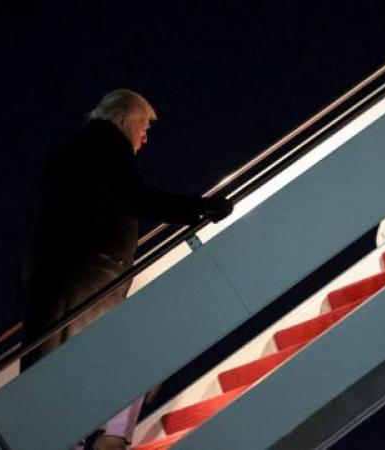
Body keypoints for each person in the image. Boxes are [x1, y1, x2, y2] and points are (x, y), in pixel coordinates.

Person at [19, 89, 233, 450]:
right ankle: (109, 439)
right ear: (123, 118)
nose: (145, 137)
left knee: (74, 370)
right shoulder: (104, 141)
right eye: (144, 126)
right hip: (87, 281)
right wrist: (200, 208)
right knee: (125, 352)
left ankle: (97, 435)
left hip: (70, 281)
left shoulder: (76, 150)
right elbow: (134, 197)